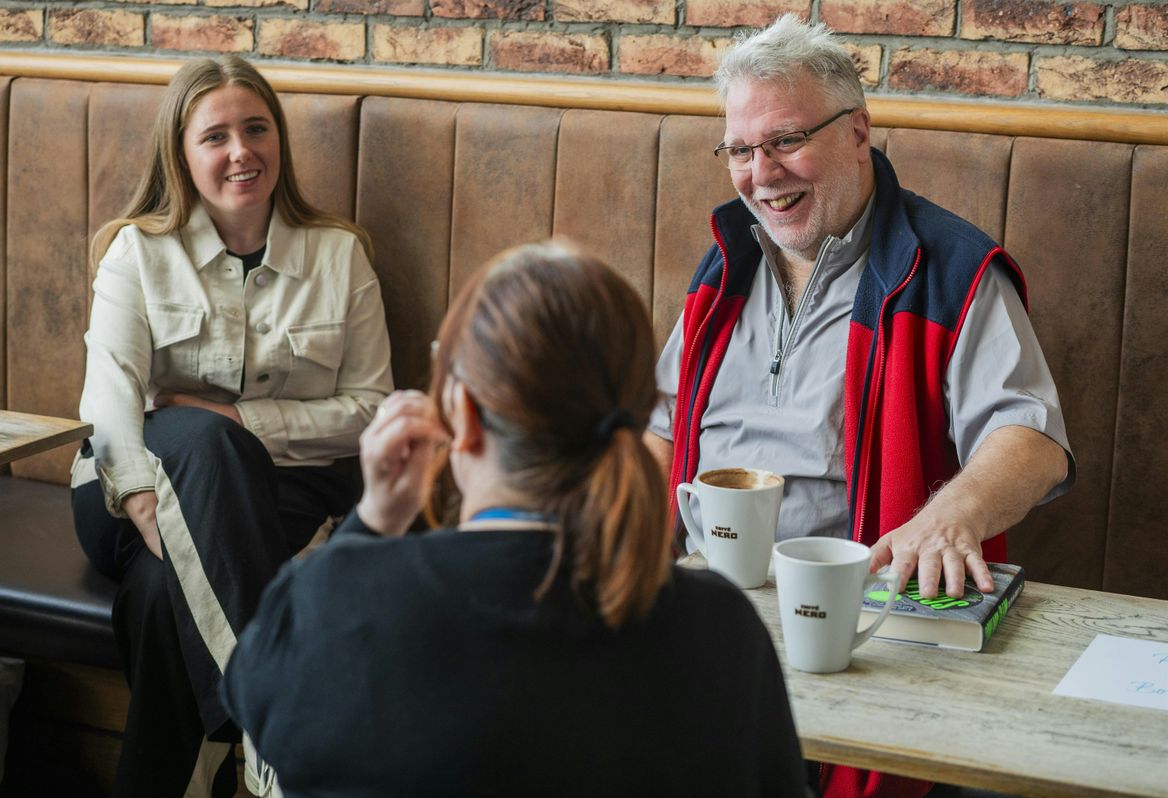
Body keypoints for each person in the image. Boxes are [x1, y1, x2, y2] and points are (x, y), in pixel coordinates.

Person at [644, 15, 1073, 798]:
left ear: (857, 132)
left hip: (860, 630)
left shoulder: (947, 268)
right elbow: (662, 426)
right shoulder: (729, 261)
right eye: (740, 150)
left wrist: (951, 514)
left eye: (784, 140)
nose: (760, 173)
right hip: (706, 613)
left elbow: (1031, 436)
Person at [220, 242, 810, 798]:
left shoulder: (341, 601)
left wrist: (372, 522)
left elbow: (250, 697)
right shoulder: (721, 629)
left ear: (464, 415)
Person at [70, 55, 393, 798]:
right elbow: (111, 396)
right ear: (181, 156)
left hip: (275, 501)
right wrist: (151, 505)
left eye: (257, 128)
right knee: (200, 449)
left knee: (161, 592)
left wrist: (238, 418)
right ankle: (271, 723)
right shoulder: (139, 251)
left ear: (278, 139)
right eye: (215, 136)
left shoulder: (340, 255)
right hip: (129, 492)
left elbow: (373, 410)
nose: (241, 151)